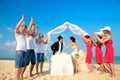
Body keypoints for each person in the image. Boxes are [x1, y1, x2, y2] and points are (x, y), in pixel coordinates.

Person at [14, 15, 27, 80]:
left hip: (24, 51)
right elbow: (16, 27)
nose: (26, 27)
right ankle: (17, 78)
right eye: (25, 26)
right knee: (18, 66)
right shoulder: (18, 32)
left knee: (22, 66)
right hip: (19, 51)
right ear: (21, 26)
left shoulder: (24, 34)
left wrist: (32, 22)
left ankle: (19, 77)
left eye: (26, 26)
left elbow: (30, 30)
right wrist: (22, 19)